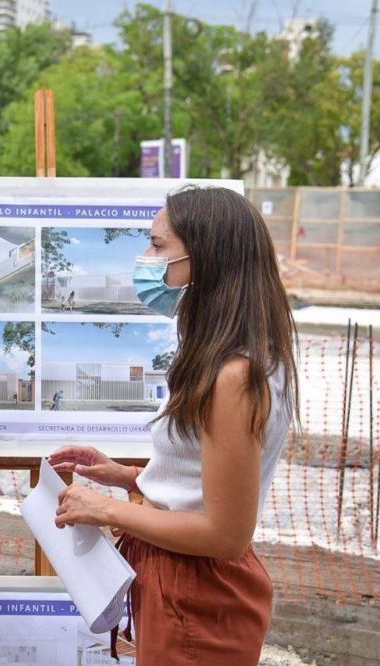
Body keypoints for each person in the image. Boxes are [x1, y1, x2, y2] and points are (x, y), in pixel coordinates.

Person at [49, 186, 298, 665]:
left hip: (196, 590)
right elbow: (207, 479)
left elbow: (225, 535)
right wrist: (130, 476)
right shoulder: (232, 354)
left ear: (204, 257)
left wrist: (105, 509)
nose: (145, 259)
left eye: (158, 246)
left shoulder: (235, 373)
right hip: (182, 579)